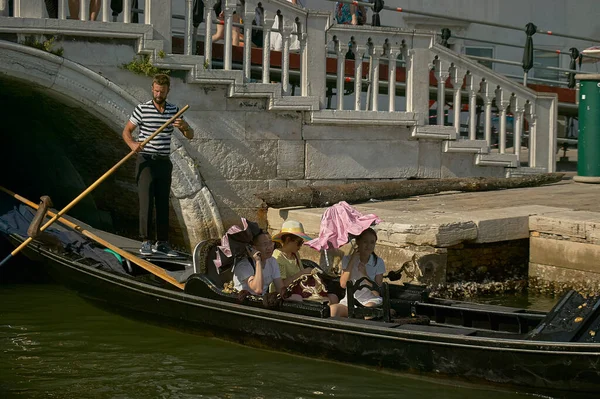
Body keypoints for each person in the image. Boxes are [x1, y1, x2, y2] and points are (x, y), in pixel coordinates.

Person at [122, 74, 194, 256]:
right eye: (156, 90)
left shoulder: (174, 111)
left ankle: (162, 243)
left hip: (163, 162)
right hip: (146, 160)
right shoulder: (142, 109)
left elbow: (190, 135)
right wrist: (132, 144)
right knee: (146, 201)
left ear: (167, 91)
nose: (158, 94)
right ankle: (146, 241)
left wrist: (184, 126)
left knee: (163, 203)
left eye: (162, 91)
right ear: (152, 89)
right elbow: (127, 131)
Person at [271, 220, 338, 304]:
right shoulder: (278, 257)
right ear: (288, 240)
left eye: (302, 243)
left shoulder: (295, 254)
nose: (300, 246)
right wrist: (302, 273)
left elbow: (303, 279)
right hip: (284, 295)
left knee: (333, 298)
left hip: (298, 290)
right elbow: (282, 285)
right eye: (299, 243)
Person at [329, 228, 385, 318]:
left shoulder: (378, 262)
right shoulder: (347, 259)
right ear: (358, 242)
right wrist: (352, 261)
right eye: (365, 242)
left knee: (366, 312)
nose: (368, 246)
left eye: (372, 242)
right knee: (332, 310)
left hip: (370, 300)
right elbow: (343, 284)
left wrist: (364, 274)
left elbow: (377, 292)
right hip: (349, 301)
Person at [233, 230, 284, 295]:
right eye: (265, 244)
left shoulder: (272, 261)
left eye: (270, 243)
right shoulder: (243, 266)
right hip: (243, 302)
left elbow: (280, 288)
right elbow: (258, 289)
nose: (269, 247)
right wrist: (258, 261)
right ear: (253, 248)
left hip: (261, 300)